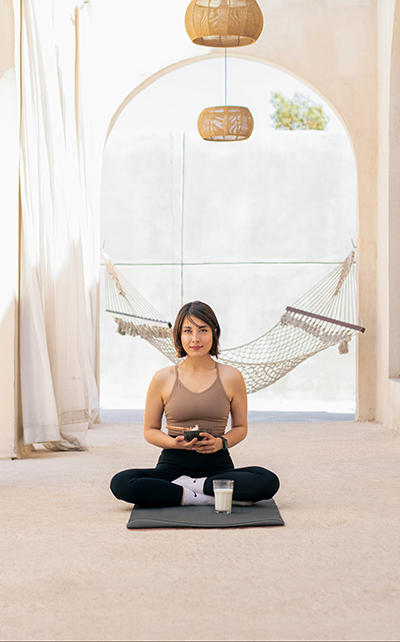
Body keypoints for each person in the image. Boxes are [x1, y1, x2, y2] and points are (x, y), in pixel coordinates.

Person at [110, 301, 280, 508]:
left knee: (267, 480)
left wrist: (221, 442)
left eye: (203, 330)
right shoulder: (163, 377)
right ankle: (208, 496)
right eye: (188, 331)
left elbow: (240, 428)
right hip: (172, 466)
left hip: (218, 466)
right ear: (179, 336)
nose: (195, 339)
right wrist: (174, 443)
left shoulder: (232, 376)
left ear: (214, 333)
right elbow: (150, 430)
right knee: (122, 483)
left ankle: (187, 489)